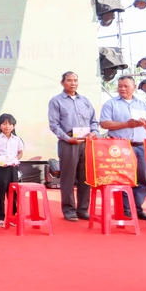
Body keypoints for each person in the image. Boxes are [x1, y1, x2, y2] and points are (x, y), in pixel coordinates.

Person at [99, 76, 146, 221]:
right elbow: (104, 124)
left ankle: (137, 208)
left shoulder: (143, 105)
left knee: (141, 178)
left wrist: (145, 124)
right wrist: (126, 124)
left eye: (126, 86)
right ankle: (125, 209)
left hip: (140, 146)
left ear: (134, 87)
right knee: (123, 178)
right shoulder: (110, 104)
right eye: (120, 86)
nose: (122, 89)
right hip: (120, 146)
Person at [48, 71, 99, 222]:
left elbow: (94, 121)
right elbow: (54, 125)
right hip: (68, 142)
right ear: (62, 83)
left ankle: (82, 209)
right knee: (68, 178)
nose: (73, 83)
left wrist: (94, 133)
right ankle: (69, 210)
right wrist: (68, 138)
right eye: (69, 80)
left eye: (75, 80)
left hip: (86, 142)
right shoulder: (56, 101)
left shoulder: (85, 100)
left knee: (85, 177)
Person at [0, 113, 24, 227]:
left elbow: (20, 153)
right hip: (1, 167)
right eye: (4, 124)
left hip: (13, 168)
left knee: (13, 193)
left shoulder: (17, 139)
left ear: (13, 126)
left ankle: (12, 216)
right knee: (0, 192)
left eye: (9, 124)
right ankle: (0, 218)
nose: (7, 126)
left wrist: (16, 160)